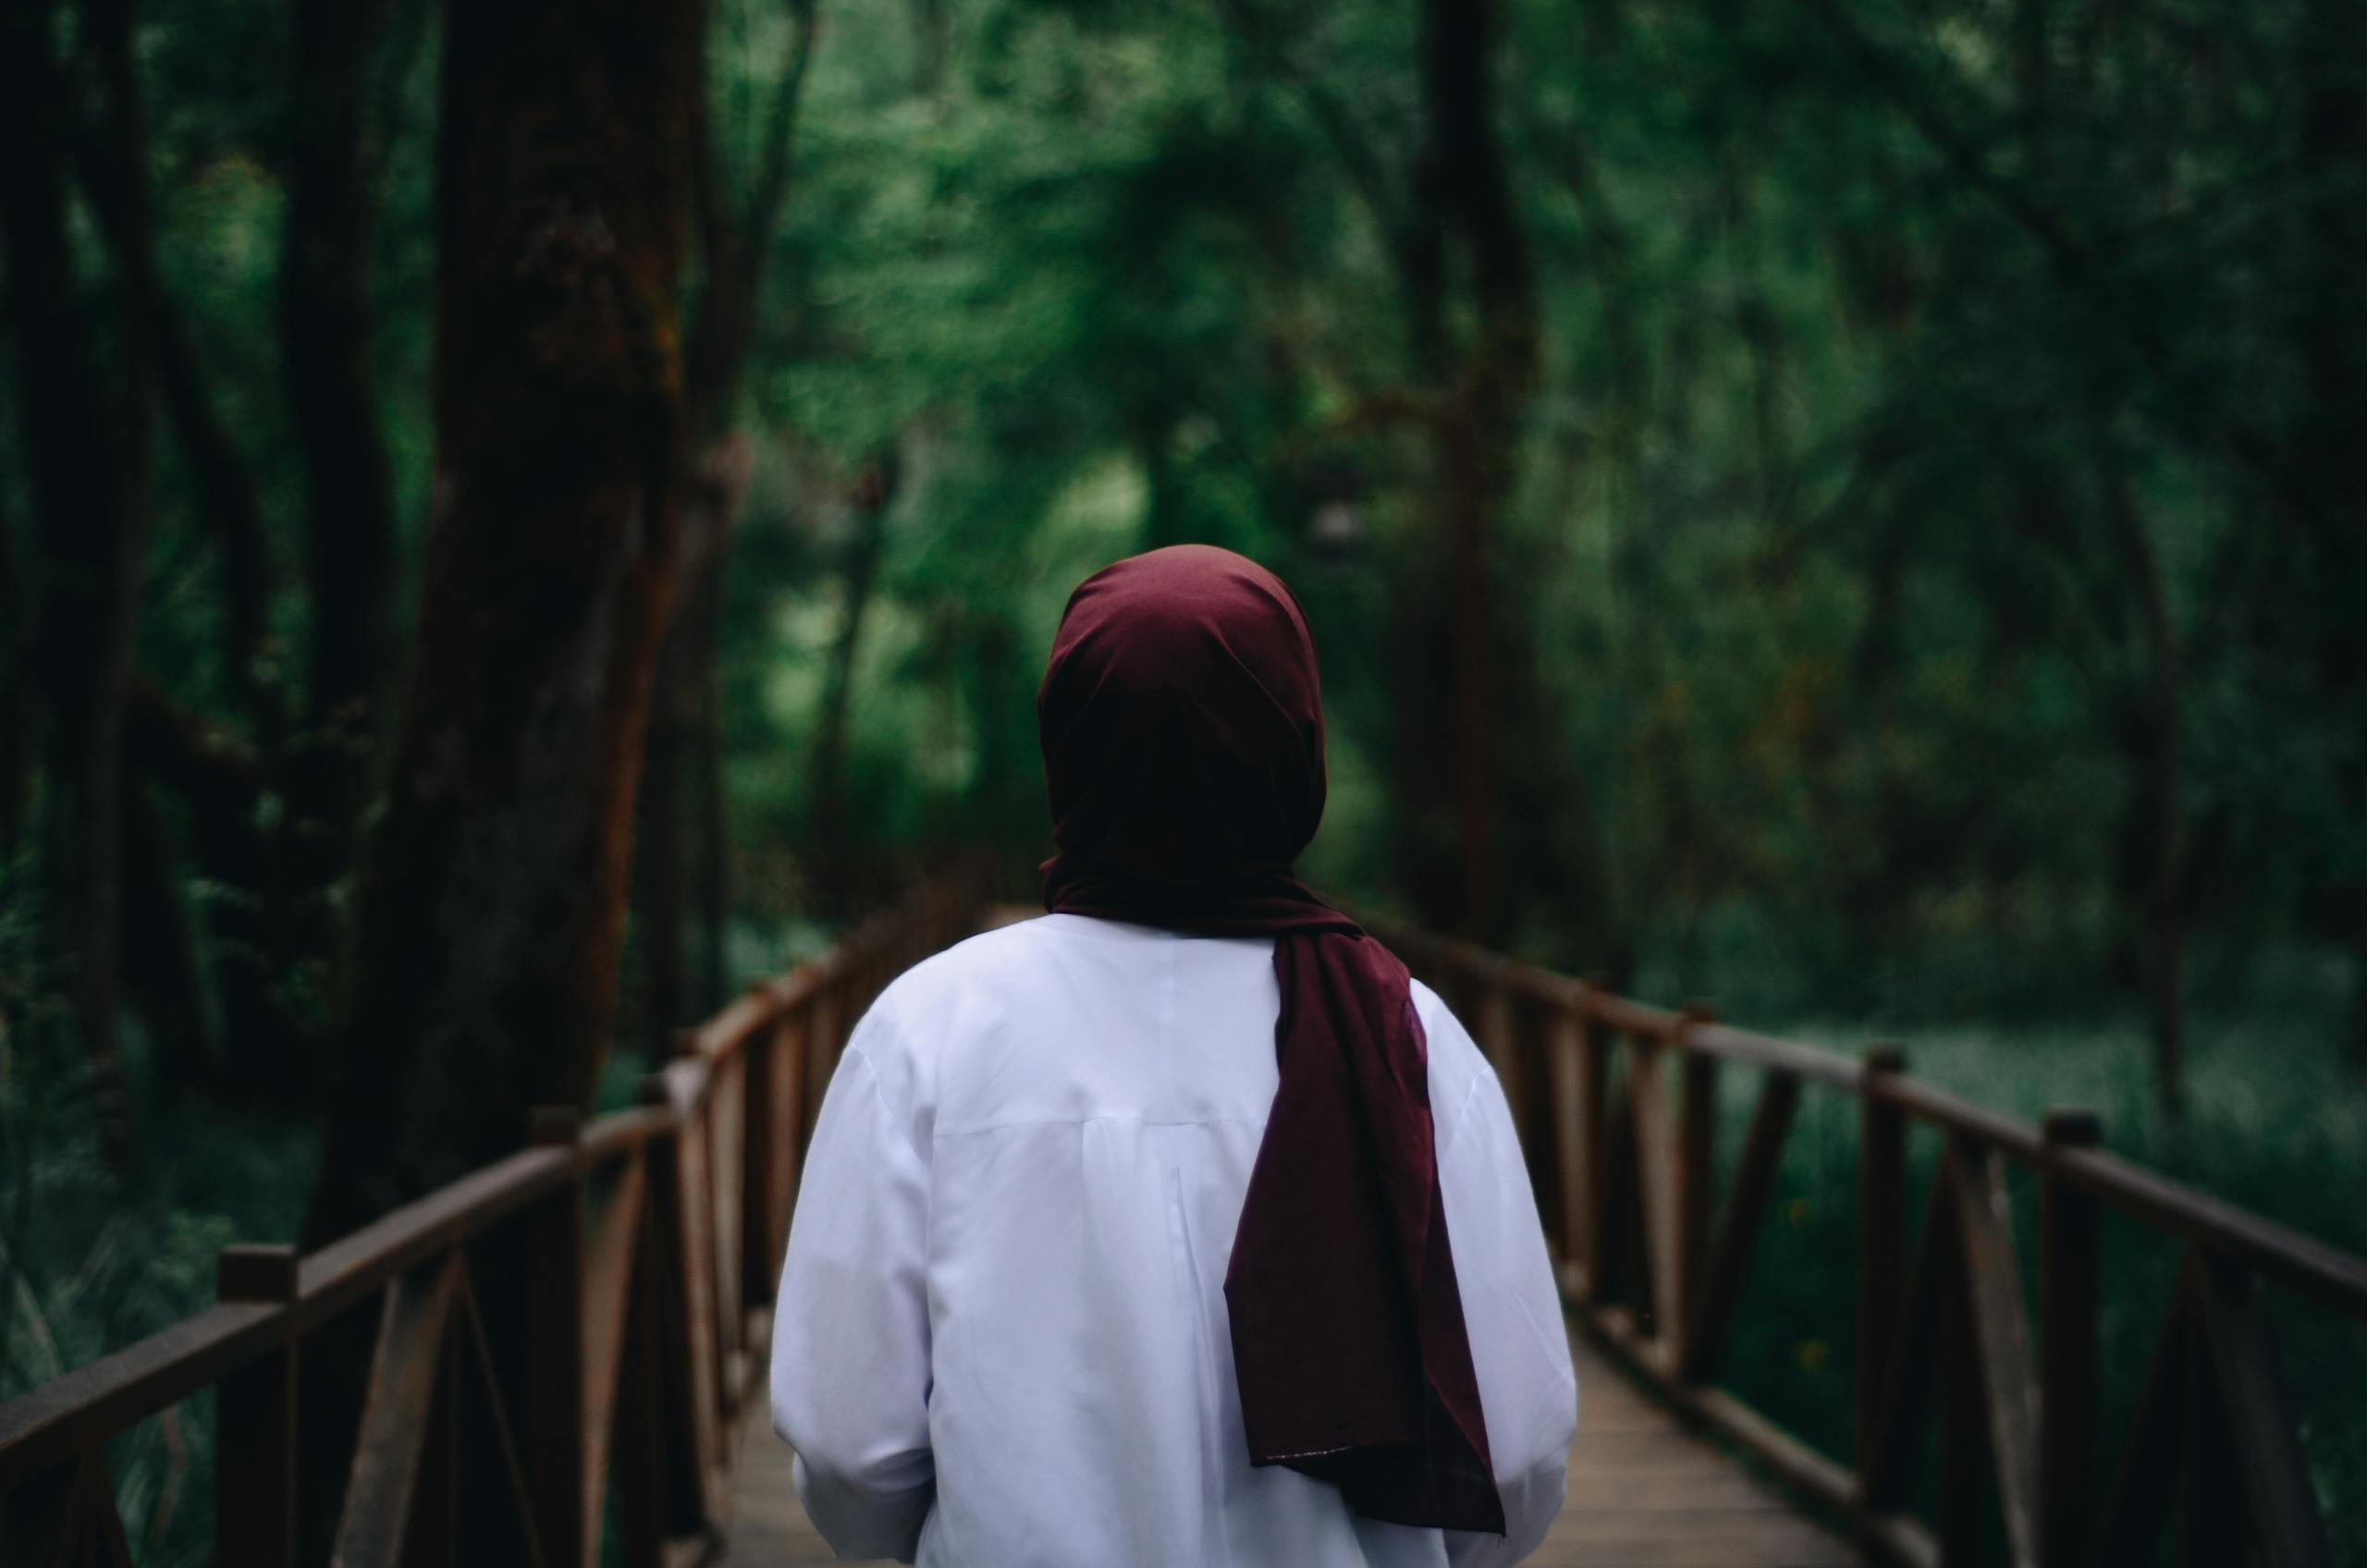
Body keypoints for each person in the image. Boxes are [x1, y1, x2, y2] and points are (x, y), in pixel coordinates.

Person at [770, 545, 1576, 1566]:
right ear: (1292, 745)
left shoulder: (927, 1027)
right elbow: (1515, 1454)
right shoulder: (1409, 1036)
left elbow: (851, 1454)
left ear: (1074, 740)